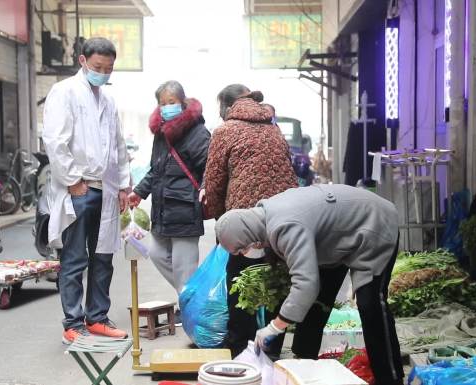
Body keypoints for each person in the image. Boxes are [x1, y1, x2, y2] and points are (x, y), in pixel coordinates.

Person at [215, 184, 405, 385]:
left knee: (371, 305)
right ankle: (304, 366)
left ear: (247, 234)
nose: (246, 253)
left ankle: (390, 378)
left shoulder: (284, 226)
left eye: (242, 249)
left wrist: (275, 326)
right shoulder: (264, 219)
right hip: (336, 239)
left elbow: (306, 284)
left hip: (373, 224)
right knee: (317, 302)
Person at [42, 37, 132, 344]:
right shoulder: (64, 91)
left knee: (103, 257)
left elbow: (118, 146)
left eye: (108, 69)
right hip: (78, 189)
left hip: (105, 190)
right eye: (98, 67)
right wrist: (73, 182)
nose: (103, 73)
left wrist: (121, 185)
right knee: (75, 258)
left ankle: (97, 317)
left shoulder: (108, 101)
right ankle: (73, 322)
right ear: (83, 61)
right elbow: (55, 140)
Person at [203, 84, 297, 357]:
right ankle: (272, 344)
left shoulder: (225, 131)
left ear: (226, 106)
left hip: (245, 219)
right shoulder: (273, 126)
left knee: (240, 278)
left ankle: (240, 346)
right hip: (283, 216)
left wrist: (224, 224)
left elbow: (214, 183)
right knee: (277, 277)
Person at [128, 81, 210, 322]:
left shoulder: (197, 132)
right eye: (162, 104)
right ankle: (193, 299)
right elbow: (157, 170)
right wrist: (140, 191)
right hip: (162, 210)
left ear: (182, 103)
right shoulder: (162, 134)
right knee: (155, 252)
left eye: (171, 103)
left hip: (185, 208)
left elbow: (210, 167)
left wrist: (205, 188)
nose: (166, 107)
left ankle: (194, 318)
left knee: (184, 270)